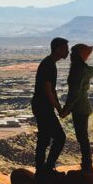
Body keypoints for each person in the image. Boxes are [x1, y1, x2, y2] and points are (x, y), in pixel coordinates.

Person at [31, 36, 69, 176]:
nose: (68, 52)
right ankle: (47, 169)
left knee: (44, 138)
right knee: (60, 137)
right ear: (58, 49)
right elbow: (48, 89)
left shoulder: (49, 63)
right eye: (65, 48)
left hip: (41, 105)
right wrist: (59, 109)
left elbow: (51, 90)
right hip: (43, 106)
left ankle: (41, 170)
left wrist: (58, 107)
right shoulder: (49, 65)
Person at [61, 43, 93, 173]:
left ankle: (87, 165)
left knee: (82, 137)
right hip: (83, 107)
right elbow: (92, 70)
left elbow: (74, 93)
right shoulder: (85, 69)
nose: (70, 56)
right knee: (83, 137)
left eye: (73, 54)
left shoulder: (77, 70)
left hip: (79, 108)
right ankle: (87, 164)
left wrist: (66, 108)